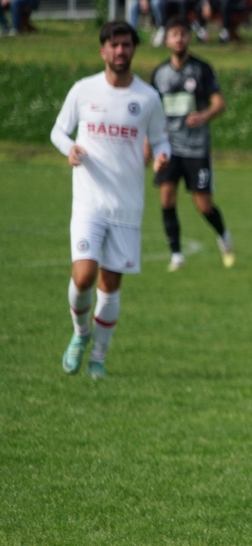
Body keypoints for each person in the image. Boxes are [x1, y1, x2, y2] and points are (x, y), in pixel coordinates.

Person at [50, 21, 170, 380]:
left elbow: (161, 139)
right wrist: (70, 149)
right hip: (89, 201)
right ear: (103, 50)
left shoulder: (147, 98)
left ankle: (98, 359)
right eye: (114, 45)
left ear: (134, 49)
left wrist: (162, 155)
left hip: (126, 205)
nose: (120, 51)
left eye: (126, 45)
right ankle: (80, 333)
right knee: (84, 275)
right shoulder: (83, 90)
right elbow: (58, 131)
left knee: (110, 283)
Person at [150, 17, 234, 272]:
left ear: (189, 38)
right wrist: (147, 144)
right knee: (167, 198)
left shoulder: (201, 69)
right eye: (174, 34)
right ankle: (176, 255)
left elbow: (219, 103)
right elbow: (151, 112)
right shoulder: (159, 74)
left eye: (183, 34)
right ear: (167, 40)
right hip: (168, 147)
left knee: (203, 205)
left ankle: (223, 235)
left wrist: (203, 115)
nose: (179, 39)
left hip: (196, 148)